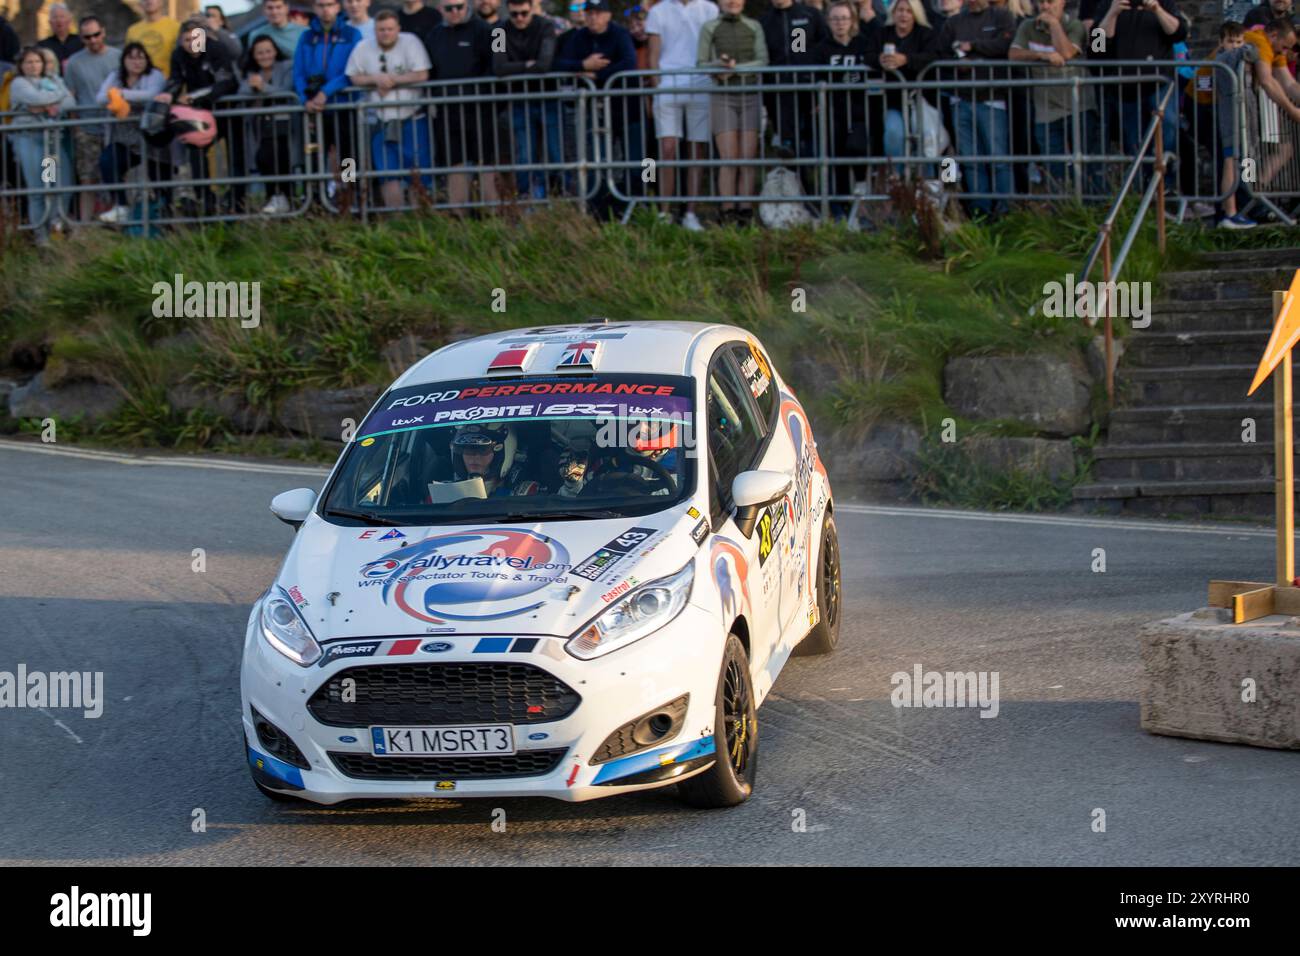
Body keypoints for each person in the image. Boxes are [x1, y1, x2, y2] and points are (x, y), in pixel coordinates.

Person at [346, 9, 432, 209]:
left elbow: (422, 74)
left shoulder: (410, 42)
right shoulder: (362, 46)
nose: (385, 33)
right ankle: (394, 219)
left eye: (390, 29)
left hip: (412, 119)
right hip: (378, 121)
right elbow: (353, 76)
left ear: (398, 29)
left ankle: (421, 219)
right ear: (374, 30)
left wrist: (392, 81)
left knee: (417, 172)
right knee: (385, 174)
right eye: (381, 29)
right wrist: (375, 79)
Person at [937, 0, 1015, 217]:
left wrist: (973, 46)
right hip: (959, 100)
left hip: (992, 99)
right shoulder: (953, 23)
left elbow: (1007, 45)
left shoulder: (1001, 17)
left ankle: (1004, 212)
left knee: (998, 158)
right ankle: (979, 211)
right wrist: (957, 64)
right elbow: (940, 56)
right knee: (970, 161)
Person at [1008, 0, 1096, 193]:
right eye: (1041, 3)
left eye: (1050, 2)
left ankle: (1093, 209)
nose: (1046, 7)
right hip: (1045, 111)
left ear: (1063, 3)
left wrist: (1055, 25)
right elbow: (1013, 54)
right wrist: (1042, 55)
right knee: (1053, 167)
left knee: (1086, 164)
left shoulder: (1075, 25)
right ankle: (1061, 211)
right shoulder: (1027, 26)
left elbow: (1066, 52)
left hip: (1079, 106)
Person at [647, 0, 718, 230]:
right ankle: (664, 212)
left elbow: (714, 47)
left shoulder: (710, 9)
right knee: (667, 150)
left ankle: (690, 214)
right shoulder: (658, 11)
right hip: (668, 86)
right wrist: (657, 87)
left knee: (696, 151)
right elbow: (653, 54)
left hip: (701, 85)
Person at [158, 16, 238, 214]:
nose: (192, 44)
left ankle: (238, 198)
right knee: (196, 150)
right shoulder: (178, 55)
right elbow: (175, 80)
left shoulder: (216, 49)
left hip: (228, 109)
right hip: (201, 113)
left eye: (196, 38)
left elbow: (226, 81)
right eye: (186, 40)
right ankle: (205, 199)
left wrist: (196, 98)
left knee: (237, 155)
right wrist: (168, 94)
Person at [427, 0, 500, 213]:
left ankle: (493, 214)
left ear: (467, 6)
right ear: (441, 9)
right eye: (449, 8)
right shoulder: (434, 35)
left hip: (481, 109)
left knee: (486, 163)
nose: (455, 12)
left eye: (459, 6)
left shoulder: (491, 31)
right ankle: (458, 217)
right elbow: (430, 71)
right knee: (454, 163)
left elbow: (499, 63)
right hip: (448, 111)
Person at [698, 0, 767, 225]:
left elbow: (763, 60)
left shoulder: (754, 26)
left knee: (747, 159)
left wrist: (737, 69)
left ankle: (745, 211)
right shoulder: (710, 27)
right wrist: (718, 66)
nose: (732, 2)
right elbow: (700, 63)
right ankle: (727, 211)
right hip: (723, 96)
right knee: (728, 158)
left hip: (750, 95)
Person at [1096, 0, 1186, 168]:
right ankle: (1141, 186)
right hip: (1125, 88)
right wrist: (1112, 13)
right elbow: (1097, 47)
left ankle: (1167, 184)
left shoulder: (1163, 3)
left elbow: (1179, 33)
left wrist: (1157, 10)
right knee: (1134, 141)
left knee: (1168, 128)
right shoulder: (1109, 4)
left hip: (1159, 84)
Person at [8, 46, 76, 244]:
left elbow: (69, 103)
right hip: (30, 140)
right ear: (21, 65)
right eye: (28, 62)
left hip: (50, 144)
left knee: (56, 184)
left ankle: (55, 227)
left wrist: (42, 106)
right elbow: (34, 98)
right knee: (38, 189)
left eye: (37, 61)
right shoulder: (18, 83)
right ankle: (41, 237)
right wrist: (54, 100)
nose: (33, 65)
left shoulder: (53, 80)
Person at [494, 0, 561, 200]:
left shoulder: (546, 26)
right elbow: (498, 67)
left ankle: (561, 196)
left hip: (547, 98)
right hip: (519, 101)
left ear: (532, 9)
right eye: (515, 14)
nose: (520, 18)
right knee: (524, 155)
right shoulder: (499, 31)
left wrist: (515, 67)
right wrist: (527, 65)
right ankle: (526, 197)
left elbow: (545, 64)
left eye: (524, 13)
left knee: (555, 152)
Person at [294, 0, 362, 193]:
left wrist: (326, 92)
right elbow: (298, 72)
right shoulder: (306, 37)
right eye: (321, 5)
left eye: (330, 4)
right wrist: (304, 99)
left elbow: (352, 70)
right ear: (314, 8)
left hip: (343, 105)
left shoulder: (352, 34)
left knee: (348, 155)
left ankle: (351, 192)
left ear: (338, 7)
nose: (326, 9)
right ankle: (316, 197)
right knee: (315, 155)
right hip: (314, 109)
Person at [96, 42, 168, 224]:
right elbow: (100, 97)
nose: (136, 62)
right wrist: (116, 95)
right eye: (131, 57)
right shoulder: (116, 75)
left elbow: (153, 94)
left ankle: (167, 215)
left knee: (159, 178)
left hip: (153, 138)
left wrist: (120, 95)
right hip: (125, 139)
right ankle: (121, 206)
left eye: (140, 57)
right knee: (107, 161)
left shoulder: (155, 75)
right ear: (124, 60)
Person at [816, 0, 876, 216]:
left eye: (844, 18)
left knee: (858, 148)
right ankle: (839, 203)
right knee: (836, 154)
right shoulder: (820, 47)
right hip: (834, 110)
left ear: (852, 21)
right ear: (828, 22)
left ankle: (861, 192)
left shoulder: (864, 44)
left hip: (860, 110)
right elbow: (802, 60)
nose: (840, 23)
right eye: (835, 19)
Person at [760, 0, 827, 183]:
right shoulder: (764, 21)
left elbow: (825, 47)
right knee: (790, 146)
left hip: (809, 89)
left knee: (815, 143)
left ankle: (826, 194)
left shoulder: (810, 15)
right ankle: (802, 193)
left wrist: (821, 83)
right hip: (779, 94)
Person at [64, 17, 122, 221]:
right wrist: (76, 127)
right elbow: (70, 96)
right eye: (87, 37)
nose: (93, 40)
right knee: (87, 179)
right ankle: (85, 226)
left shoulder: (118, 57)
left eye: (96, 34)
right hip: (87, 128)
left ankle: (119, 221)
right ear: (81, 38)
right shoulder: (74, 62)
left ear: (103, 32)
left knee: (116, 177)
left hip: (116, 127)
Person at [873, 0, 937, 177]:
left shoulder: (926, 34)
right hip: (893, 101)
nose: (903, 15)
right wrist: (879, 60)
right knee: (893, 134)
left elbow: (933, 56)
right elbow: (867, 55)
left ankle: (930, 183)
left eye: (909, 11)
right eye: (900, 10)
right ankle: (896, 181)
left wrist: (906, 59)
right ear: (893, 12)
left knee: (928, 138)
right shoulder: (881, 34)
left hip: (921, 100)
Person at [240, 34, 298, 215]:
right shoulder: (250, 72)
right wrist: (253, 87)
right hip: (263, 125)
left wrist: (263, 88)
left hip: (286, 124)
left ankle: (347, 190)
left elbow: (287, 90)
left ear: (275, 51)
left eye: (268, 51)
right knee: (264, 157)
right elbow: (241, 91)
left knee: (346, 159)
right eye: (260, 53)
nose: (265, 56)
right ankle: (274, 196)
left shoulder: (287, 67)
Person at [448, 424, 537, 497]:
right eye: (467, 448)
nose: (474, 456)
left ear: (503, 452)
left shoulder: (525, 497)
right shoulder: (444, 494)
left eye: (483, 449)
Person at [126, 0, 181, 80]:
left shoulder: (176, 27)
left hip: (167, 83)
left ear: (161, 2)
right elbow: (128, 60)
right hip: (139, 84)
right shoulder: (132, 31)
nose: (149, 1)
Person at [38, 4, 83, 70]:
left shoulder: (81, 41)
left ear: (69, 21)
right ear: (50, 22)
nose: (59, 20)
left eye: (62, 17)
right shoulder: (42, 45)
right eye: (55, 17)